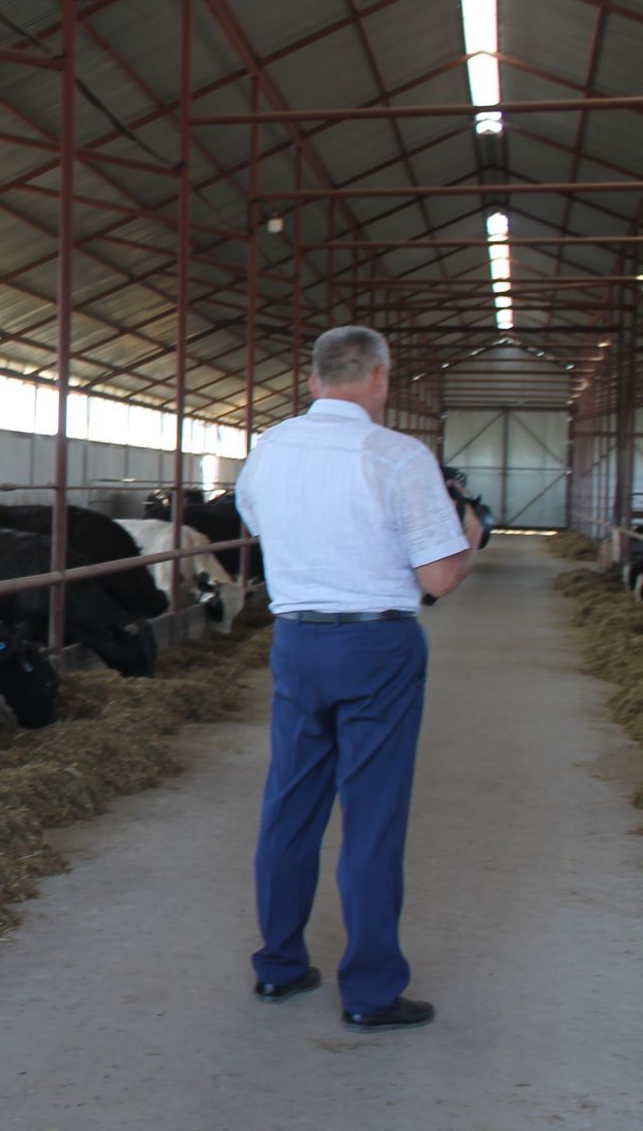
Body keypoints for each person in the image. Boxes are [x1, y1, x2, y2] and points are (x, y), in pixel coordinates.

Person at [234, 326, 484, 1033]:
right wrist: (469, 538)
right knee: (372, 816)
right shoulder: (398, 456)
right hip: (377, 646)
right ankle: (371, 991)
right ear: (379, 377)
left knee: (289, 804)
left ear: (313, 382)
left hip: (296, 642)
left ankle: (279, 968)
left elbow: (258, 523)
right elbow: (438, 576)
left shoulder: (270, 450)